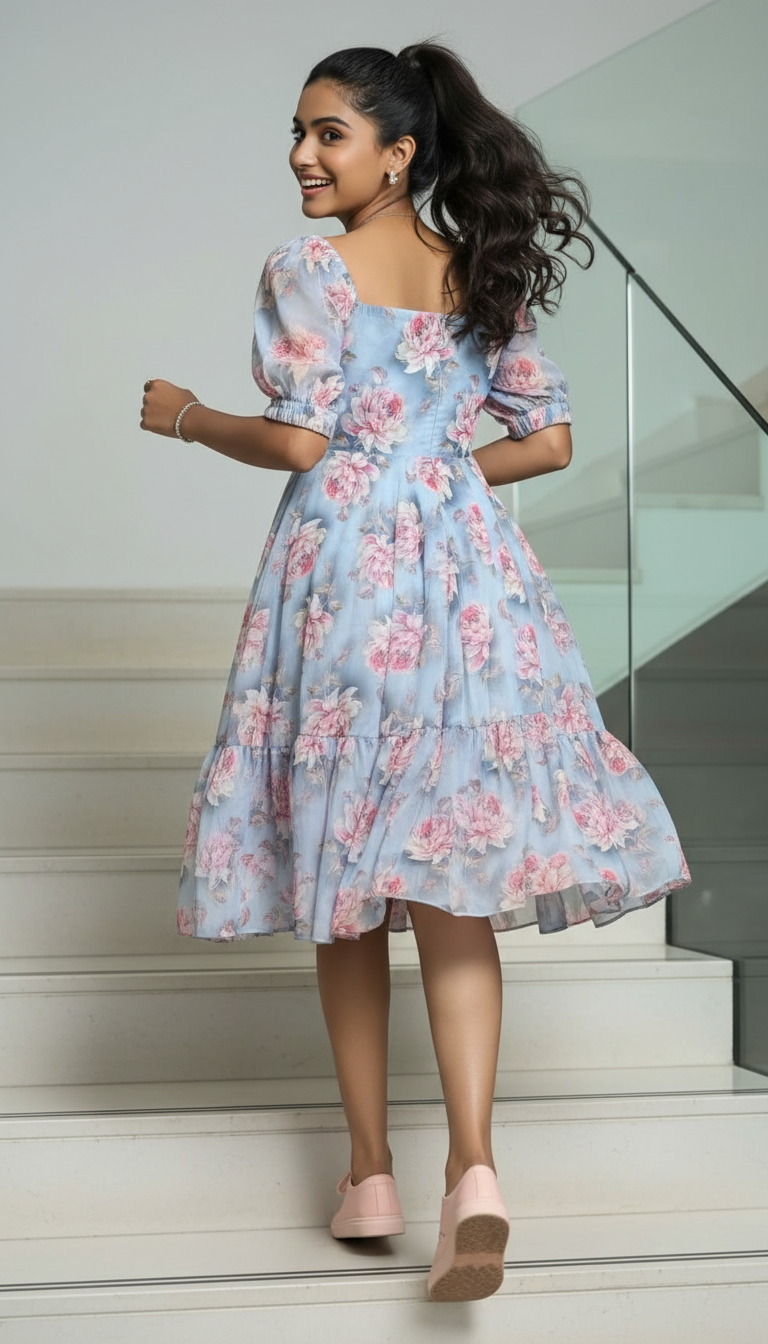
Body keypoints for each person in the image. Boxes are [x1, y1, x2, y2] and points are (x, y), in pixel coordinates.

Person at [140, 40, 692, 1303]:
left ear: (398, 152)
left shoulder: (307, 270)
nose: (301, 155)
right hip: (472, 585)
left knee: (346, 884)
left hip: (347, 583)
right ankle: (476, 1171)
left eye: (327, 133)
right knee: (452, 877)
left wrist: (186, 416)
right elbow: (547, 443)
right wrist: (432, 477)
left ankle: (371, 1172)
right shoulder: (479, 268)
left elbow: (298, 440)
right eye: (297, 133)